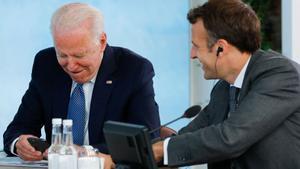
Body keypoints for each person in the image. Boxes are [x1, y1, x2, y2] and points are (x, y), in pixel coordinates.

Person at [3, 2, 160, 164]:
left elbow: (149, 141)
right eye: (62, 55)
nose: (70, 65)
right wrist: (19, 144)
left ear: (102, 42)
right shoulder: (46, 64)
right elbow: (16, 130)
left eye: (79, 55)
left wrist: (86, 153)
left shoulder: (133, 69)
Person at [152, 0, 300, 168]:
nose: (192, 55)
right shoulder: (223, 88)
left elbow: (231, 137)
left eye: (195, 47)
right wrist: (138, 155)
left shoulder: (281, 75)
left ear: (220, 48)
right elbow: (189, 137)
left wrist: (160, 150)